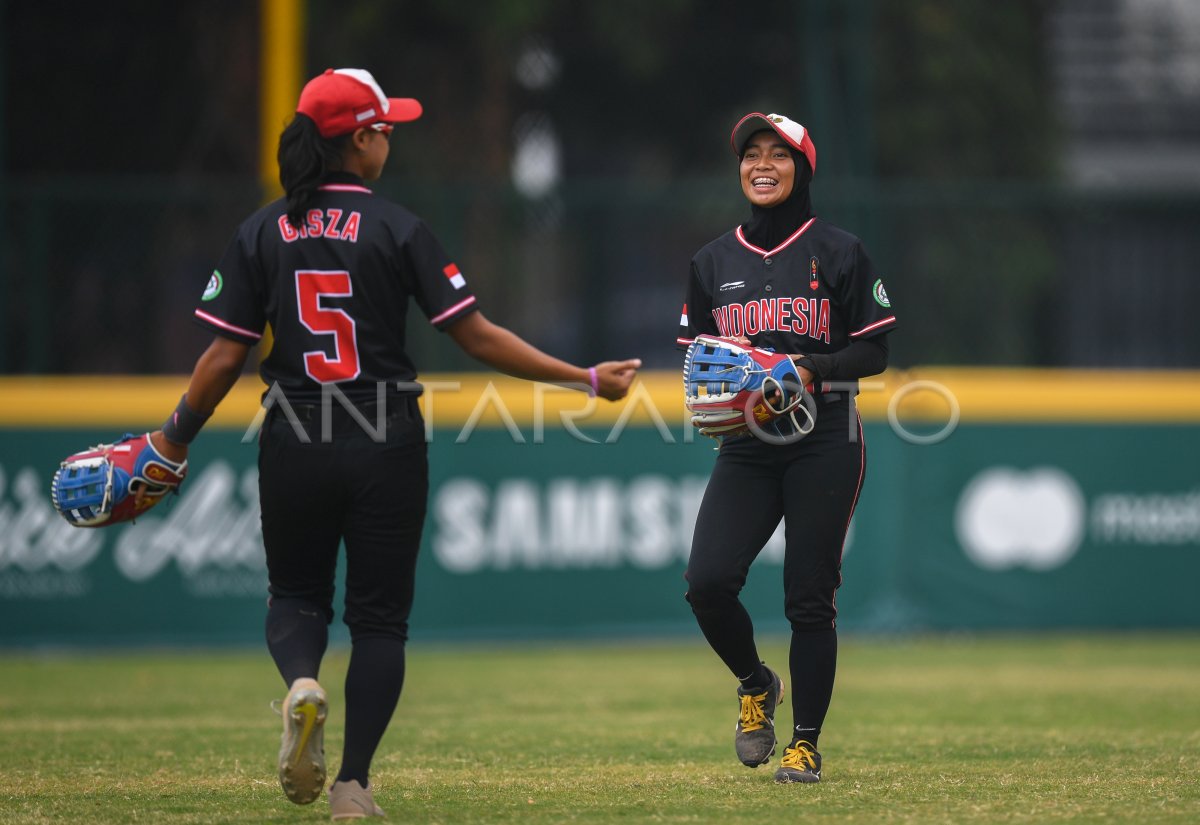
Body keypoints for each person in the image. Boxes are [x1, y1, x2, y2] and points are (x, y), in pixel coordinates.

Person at [146, 68, 641, 819]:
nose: (391, 139)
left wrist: (173, 437)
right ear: (360, 140)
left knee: (296, 596)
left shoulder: (261, 230)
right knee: (379, 621)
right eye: (385, 128)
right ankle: (352, 785)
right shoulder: (397, 226)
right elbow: (477, 336)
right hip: (386, 437)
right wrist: (584, 377)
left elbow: (222, 358)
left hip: (294, 433)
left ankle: (302, 682)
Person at [675, 112, 896, 783]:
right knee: (707, 583)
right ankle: (755, 682)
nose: (762, 165)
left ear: (803, 167)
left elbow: (874, 351)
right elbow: (696, 359)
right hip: (748, 442)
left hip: (824, 436)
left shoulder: (840, 250)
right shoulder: (711, 261)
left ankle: (805, 742)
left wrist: (809, 367)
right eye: (751, 154)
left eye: (778, 153)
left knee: (809, 595)